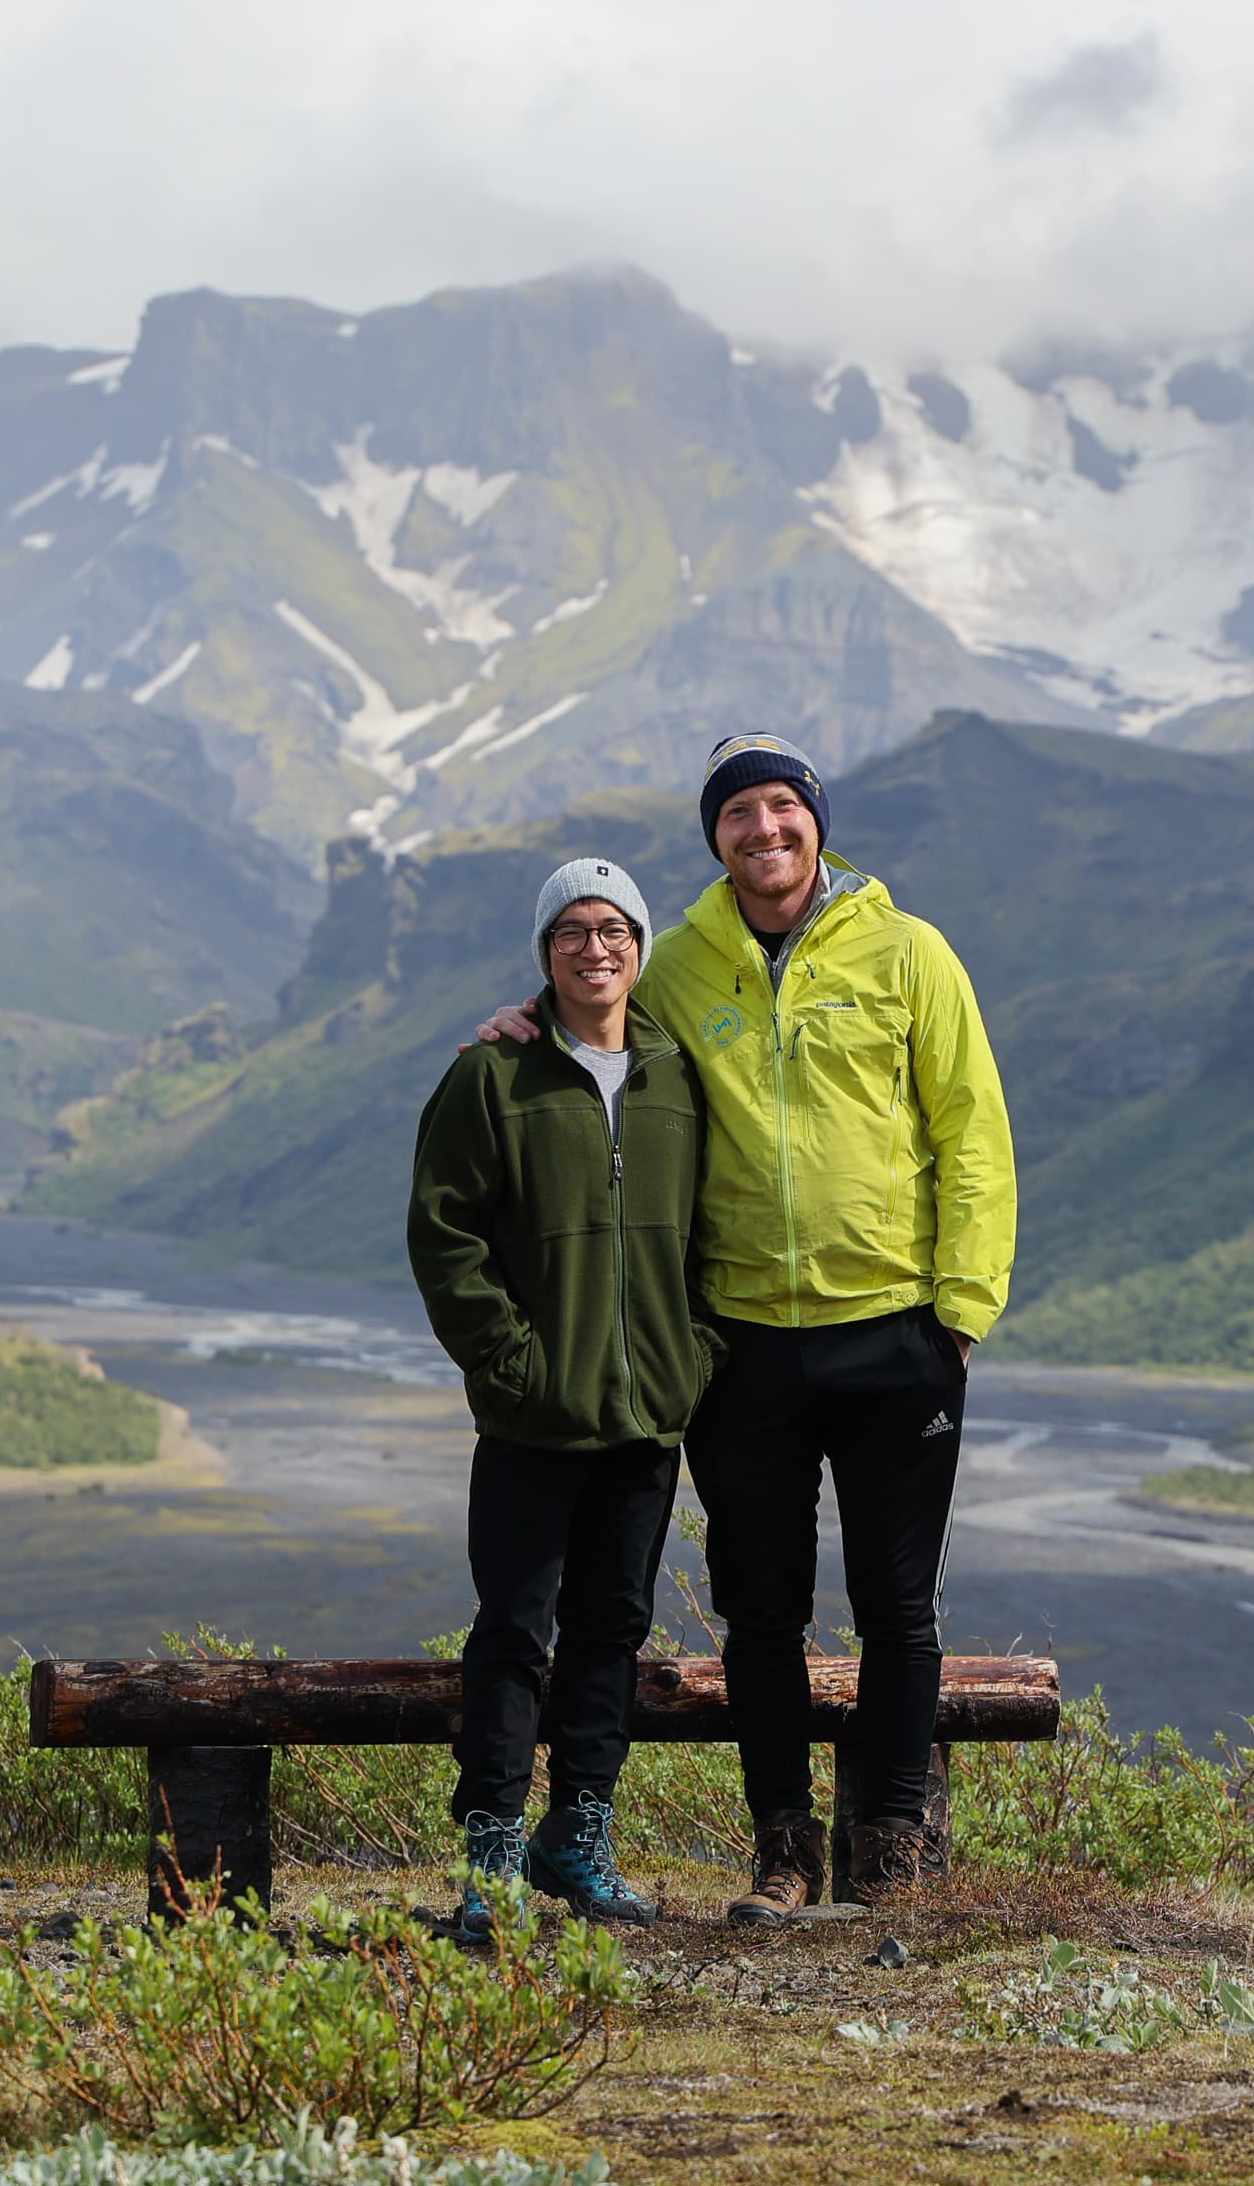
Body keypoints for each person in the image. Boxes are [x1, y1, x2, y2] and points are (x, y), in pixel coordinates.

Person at [483, 734, 1015, 1923]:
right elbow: (597, 1012)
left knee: (899, 1611)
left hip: (895, 1334)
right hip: (740, 1343)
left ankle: (890, 1858)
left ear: (816, 819)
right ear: (714, 837)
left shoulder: (910, 951)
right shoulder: (677, 963)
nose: (763, 828)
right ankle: (785, 1851)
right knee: (761, 1612)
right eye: (738, 813)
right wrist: (527, 1017)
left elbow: (972, 1130)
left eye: (782, 806)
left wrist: (961, 1315)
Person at [407, 856, 720, 1941]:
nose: (596, 948)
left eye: (614, 929)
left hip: (646, 1419)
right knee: (512, 1632)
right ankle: (491, 1853)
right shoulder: (493, 1076)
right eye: (572, 931)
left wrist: (692, 1357)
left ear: (640, 947)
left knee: (612, 1630)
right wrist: (511, 1367)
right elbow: (444, 1236)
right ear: (545, 953)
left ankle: (578, 1836)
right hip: (533, 1419)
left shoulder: (678, 1076)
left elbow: (715, 1231)